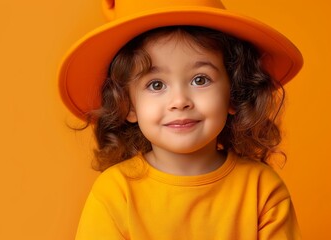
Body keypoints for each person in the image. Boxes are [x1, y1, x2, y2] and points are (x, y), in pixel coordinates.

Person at [58, 0, 303, 239]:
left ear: (233, 94)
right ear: (128, 105)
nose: (180, 101)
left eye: (200, 79)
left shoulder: (262, 190)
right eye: (156, 84)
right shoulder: (114, 193)